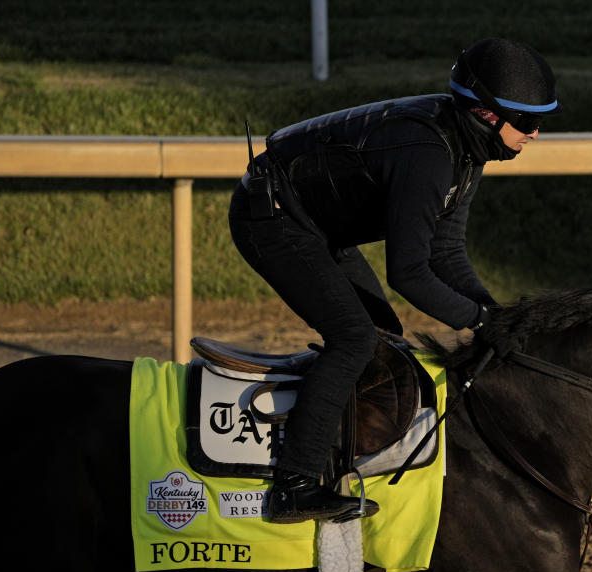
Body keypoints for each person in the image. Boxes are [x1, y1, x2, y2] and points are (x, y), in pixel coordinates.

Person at [228, 38, 560, 524]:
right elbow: (407, 273)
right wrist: (480, 321)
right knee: (354, 338)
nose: (535, 135)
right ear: (487, 115)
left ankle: (343, 458)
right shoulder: (429, 155)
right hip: (272, 218)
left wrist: (494, 314)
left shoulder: (467, 150)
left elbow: (444, 252)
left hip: (317, 224)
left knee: (385, 339)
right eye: (527, 122)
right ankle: (293, 486)